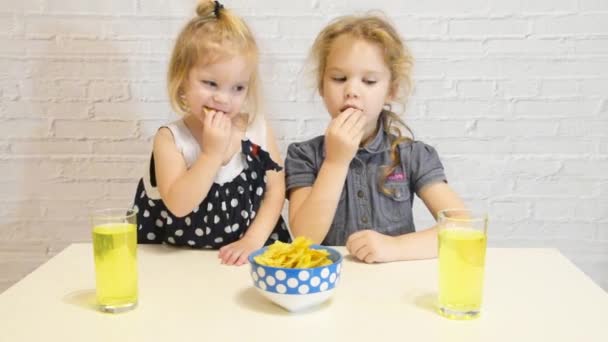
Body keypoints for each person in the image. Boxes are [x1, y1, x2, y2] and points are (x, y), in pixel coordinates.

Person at [285, 13, 465, 263]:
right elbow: (305, 237)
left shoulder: (412, 156)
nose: (351, 91)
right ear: (321, 86)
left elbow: (463, 228)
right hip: (332, 287)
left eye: (369, 81)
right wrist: (335, 162)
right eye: (339, 79)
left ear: (391, 90)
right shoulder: (303, 156)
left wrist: (395, 248)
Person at [132, 0, 290, 265]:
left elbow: (275, 191)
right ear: (182, 79)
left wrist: (253, 240)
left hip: (247, 254)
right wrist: (211, 154)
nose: (223, 99)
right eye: (210, 83)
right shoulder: (170, 139)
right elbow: (179, 205)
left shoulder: (257, 129)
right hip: (178, 259)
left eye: (238, 88)